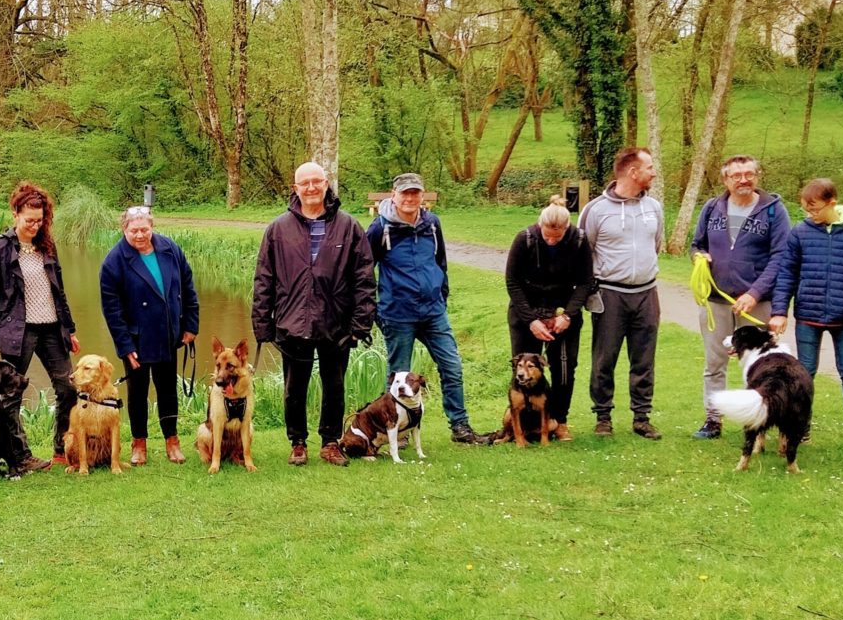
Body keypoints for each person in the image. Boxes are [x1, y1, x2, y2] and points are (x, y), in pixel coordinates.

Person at [252, 161, 377, 467]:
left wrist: (361, 324)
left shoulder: (348, 227)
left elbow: (364, 278)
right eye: (304, 183)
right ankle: (297, 442)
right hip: (292, 322)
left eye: (316, 182)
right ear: (295, 189)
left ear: (326, 184)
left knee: (334, 386)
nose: (310, 188)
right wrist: (262, 325)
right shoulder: (278, 229)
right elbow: (264, 278)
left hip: (336, 323)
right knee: (295, 388)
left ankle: (331, 441)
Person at [367, 173, 481, 444]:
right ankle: (399, 431)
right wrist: (374, 310)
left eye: (415, 193)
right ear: (393, 195)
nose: (410, 198)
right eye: (404, 193)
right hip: (397, 314)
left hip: (433, 312)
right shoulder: (379, 228)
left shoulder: (431, 224)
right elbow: (362, 272)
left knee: (452, 366)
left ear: (422, 195)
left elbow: (440, 261)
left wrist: (442, 294)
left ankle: (460, 427)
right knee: (399, 377)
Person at [770, 177, 843, 451]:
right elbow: (787, 273)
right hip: (808, 316)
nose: (811, 215)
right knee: (804, 374)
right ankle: (800, 429)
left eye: (816, 209)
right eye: (807, 211)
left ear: (832, 203)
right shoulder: (800, 233)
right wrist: (779, 311)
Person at [688, 155, 792, 439]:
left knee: (761, 365)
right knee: (714, 363)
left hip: (756, 305)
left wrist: (754, 293)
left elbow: (781, 256)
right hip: (716, 302)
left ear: (758, 175)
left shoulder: (774, 211)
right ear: (725, 180)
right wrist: (700, 256)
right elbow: (696, 244)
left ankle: (760, 420)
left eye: (749, 174)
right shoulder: (712, 208)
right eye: (736, 175)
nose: (743, 180)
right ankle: (713, 420)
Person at [0, 181, 77, 471]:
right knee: (10, 396)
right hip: (16, 332)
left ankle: (63, 448)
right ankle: (21, 457)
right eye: (29, 220)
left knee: (68, 388)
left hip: (51, 329)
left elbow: (59, 291)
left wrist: (69, 329)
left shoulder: (47, 246)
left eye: (40, 220)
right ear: (15, 215)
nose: (35, 225)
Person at [100, 206, 200, 465]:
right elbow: (112, 310)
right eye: (134, 230)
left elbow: (188, 286)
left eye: (145, 229)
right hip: (137, 340)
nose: (140, 235)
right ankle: (139, 444)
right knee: (137, 393)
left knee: (168, 390)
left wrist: (190, 325)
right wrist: (124, 345)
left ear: (152, 227)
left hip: (168, 332)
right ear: (124, 230)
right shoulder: (114, 261)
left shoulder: (170, 248)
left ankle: (172, 441)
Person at [581, 147, 665, 439]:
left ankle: (641, 417)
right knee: (605, 357)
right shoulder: (595, 210)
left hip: (646, 293)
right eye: (650, 167)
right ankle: (603, 416)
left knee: (644, 357)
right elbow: (584, 253)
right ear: (633, 172)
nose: (653, 172)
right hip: (610, 294)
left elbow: (655, 244)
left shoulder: (653, 207)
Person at [503, 195, 595, 440]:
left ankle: (559, 420)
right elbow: (512, 282)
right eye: (548, 235)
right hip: (526, 312)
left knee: (564, 369)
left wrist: (568, 315)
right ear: (540, 225)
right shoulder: (525, 239)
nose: (552, 240)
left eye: (558, 236)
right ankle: (521, 425)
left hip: (562, 312)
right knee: (523, 370)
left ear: (567, 228)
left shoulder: (579, 241)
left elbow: (586, 282)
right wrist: (531, 320)